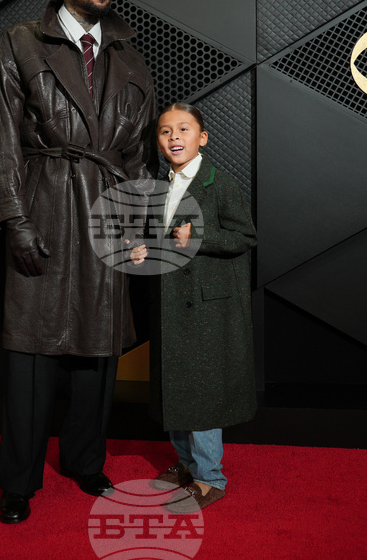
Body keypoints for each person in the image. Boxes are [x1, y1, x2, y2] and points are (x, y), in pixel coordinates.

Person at [0, 0, 156, 524]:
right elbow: (3, 143)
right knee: (33, 351)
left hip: (108, 208)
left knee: (97, 351)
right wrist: (15, 221)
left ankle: (85, 461)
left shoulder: (129, 53)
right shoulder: (19, 43)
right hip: (46, 201)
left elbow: (137, 153)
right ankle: (18, 482)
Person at [146, 102, 258, 512]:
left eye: (183, 129)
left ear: (202, 138)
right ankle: (186, 465)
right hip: (170, 303)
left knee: (203, 395)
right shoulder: (158, 185)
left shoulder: (219, 182)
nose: (174, 137)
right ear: (158, 143)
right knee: (175, 389)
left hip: (207, 310)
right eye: (165, 131)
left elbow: (245, 237)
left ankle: (211, 479)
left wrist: (201, 237)